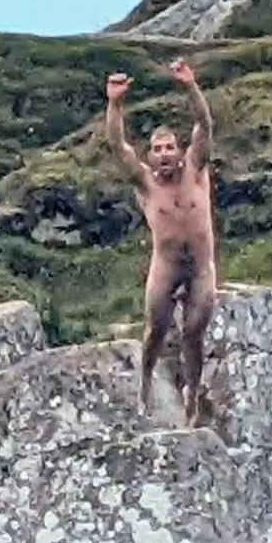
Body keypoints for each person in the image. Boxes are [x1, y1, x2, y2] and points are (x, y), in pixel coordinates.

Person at [99, 54, 223, 427]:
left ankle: (192, 395)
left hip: (202, 267)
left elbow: (205, 122)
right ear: (150, 156)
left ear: (178, 151)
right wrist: (115, 103)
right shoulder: (146, 183)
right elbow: (117, 145)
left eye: (170, 148)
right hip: (165, 266)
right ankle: (145, 385)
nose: (166, 155)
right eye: (158, 150)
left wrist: (190, 86)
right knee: (154, 330)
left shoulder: (196, 169)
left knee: (193, 333)